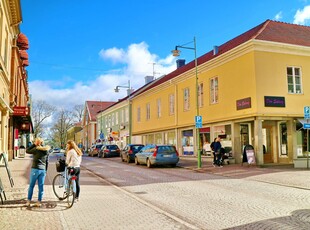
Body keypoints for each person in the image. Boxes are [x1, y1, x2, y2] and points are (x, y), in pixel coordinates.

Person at [26, 137, 50, 207]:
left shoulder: (35, 149)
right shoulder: (46, 150)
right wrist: (45, 170)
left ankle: (28, 201)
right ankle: (39, 201)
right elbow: (47, 161)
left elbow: (27, 150)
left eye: (35, 142)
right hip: (42, 170)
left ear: (37, 143)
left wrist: (34, 145)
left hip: (35, 169)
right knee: (41, 186)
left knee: (31, 186)